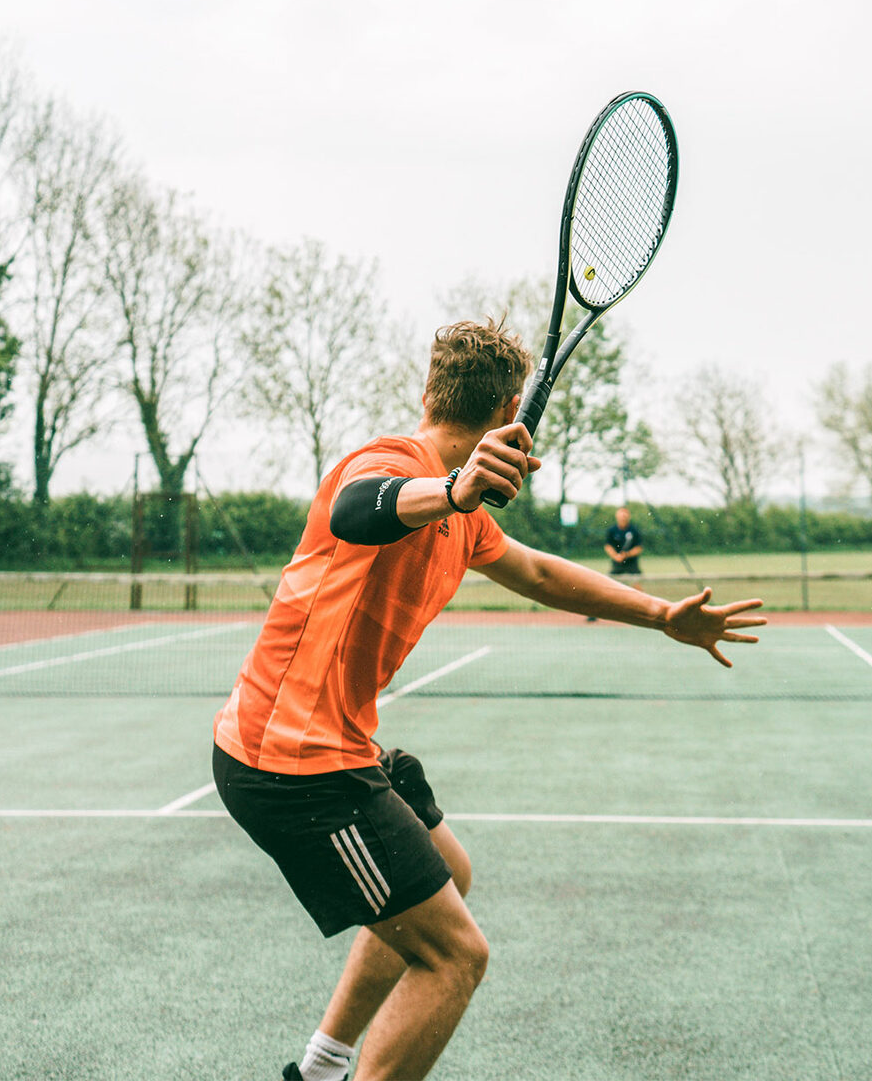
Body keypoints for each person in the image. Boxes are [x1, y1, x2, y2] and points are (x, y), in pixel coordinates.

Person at [211, 317, 766, 1081]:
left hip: (322, 745)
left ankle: (320, 1068)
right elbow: (356, 507)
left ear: (431, 391)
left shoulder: (463, 520)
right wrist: (452, 486)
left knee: (450, 874)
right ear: (513, 411)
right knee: (455, 958)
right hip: (292, 769)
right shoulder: (391, 465)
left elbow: (539, 574)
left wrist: (662, 614)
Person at [603, 506, 644, 581]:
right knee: (610, 582)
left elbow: (639, 548)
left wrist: (626, 555)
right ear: (617, 516)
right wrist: (616, 556)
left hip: (632, 563)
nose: (623, 517)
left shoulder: (634, 530)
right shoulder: (612, 530)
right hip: (617, 563)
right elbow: (608, 546)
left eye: (625, 515)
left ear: (629, 516)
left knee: (637, 584)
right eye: (621, 515)